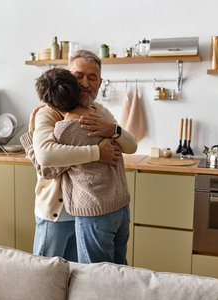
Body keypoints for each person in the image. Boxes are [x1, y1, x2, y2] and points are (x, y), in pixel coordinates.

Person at [20, 50, 137, 263]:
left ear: (100, 83)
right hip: (56, 213)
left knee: (77, 277)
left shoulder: (99, 111)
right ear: (67, 77)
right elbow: (47, 165)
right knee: (46, 272)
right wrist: (97, 153)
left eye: (92, 78)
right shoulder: (48, 113)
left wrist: (114, 130)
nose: (85, 83)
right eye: (78, 75)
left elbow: (131, 145)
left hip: (87, 211)